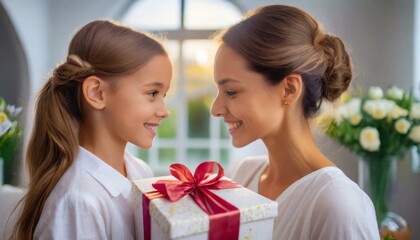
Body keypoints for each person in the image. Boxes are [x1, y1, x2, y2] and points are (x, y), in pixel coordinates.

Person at [211, 5, 380, 240]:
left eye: (231, 91)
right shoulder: (241, 175)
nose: (215, 109)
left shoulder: (338, 205)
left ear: (289, 89)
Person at [11, 20, 172, 240]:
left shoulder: (141, 172)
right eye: (152, 93)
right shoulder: (77, 202)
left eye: (164, 96)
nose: (164, 111)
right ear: (97, 93)